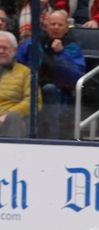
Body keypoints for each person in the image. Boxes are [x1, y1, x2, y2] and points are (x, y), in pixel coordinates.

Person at [15, 9, 85, 138]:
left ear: (66, 28)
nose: (56, 27)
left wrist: (61, 53)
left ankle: (49, 136)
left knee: (49, 89)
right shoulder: (32, 43)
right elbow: (17, 63)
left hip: (58, 91)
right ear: (46, 26)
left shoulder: (72, 47)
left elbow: (75, 76)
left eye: (60, 25)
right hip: (29, 86)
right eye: (53, 24)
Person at [0, 30, 41, 137]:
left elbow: (34, 102)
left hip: (10, 121)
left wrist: (8, 114)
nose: (1, 51)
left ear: (14, 51)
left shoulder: (26, 72)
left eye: (4, 48)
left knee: (13, 117)